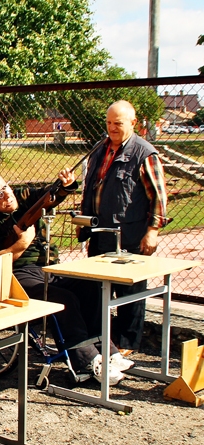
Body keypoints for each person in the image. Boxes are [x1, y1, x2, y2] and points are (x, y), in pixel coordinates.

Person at [0, 172, 134, 383]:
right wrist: (19, 246)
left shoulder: (23, 196)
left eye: (6, 188)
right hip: (17, 274)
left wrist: (65, 186)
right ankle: (86, 361)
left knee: (91, 285)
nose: (7, 196)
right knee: (62, 299)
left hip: (48, 267)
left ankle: (106, 348)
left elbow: (49, 195)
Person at [80, 100, 169, 354]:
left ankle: (127, 343)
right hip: (100, 233)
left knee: (131, 292)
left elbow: (159, 196)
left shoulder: (145, 153)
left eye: (117, 123)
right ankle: (100, 339)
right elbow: (91, 189)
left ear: (133, 123)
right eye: (108, 123)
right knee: (97, 290)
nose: (112, 128)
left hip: (130, 236)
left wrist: (152, 231)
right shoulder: (100, 149)